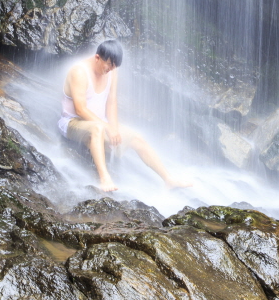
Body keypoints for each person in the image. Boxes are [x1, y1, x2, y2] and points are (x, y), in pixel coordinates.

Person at [57, 40, 191, 192]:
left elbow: (112, 101)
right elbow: (80, 109)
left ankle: (169, 179)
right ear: (97, 58)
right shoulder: (80, 72)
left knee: (136, 137)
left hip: (100, 122)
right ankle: (105, 179)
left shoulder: (112, 70)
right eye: (108, 65)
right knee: (97, 129)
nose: (109, 70)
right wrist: (106, 127)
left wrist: (114, 129)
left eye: (113, 67)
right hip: (72, 122)